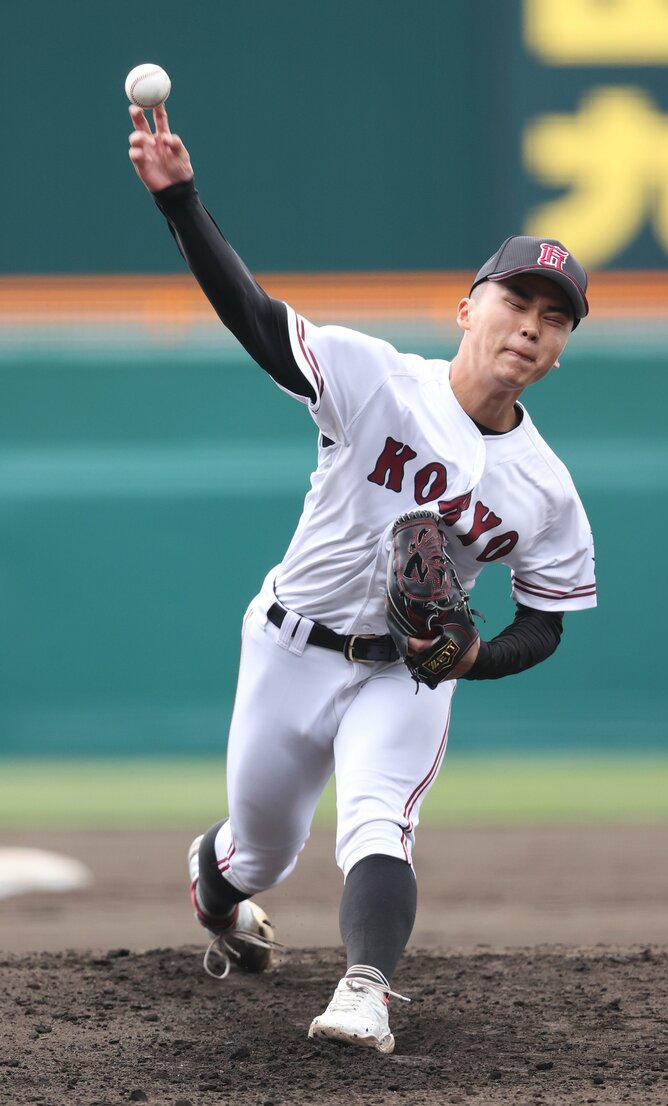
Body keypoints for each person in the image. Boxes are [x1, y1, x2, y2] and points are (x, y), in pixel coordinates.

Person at [128, 102, 597, 1054]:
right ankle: (216, 884)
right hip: (290, 644)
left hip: (401, 670)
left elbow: (544, 621)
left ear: (560, 347)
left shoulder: (545, 489)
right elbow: (257, 321)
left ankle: (364, 991)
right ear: (468, 309)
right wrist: (180, 200)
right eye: (514, 302)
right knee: (261, 850)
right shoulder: (376, 379)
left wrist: (467, 658)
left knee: (378, 819)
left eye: (553, 320)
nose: (530, 327)